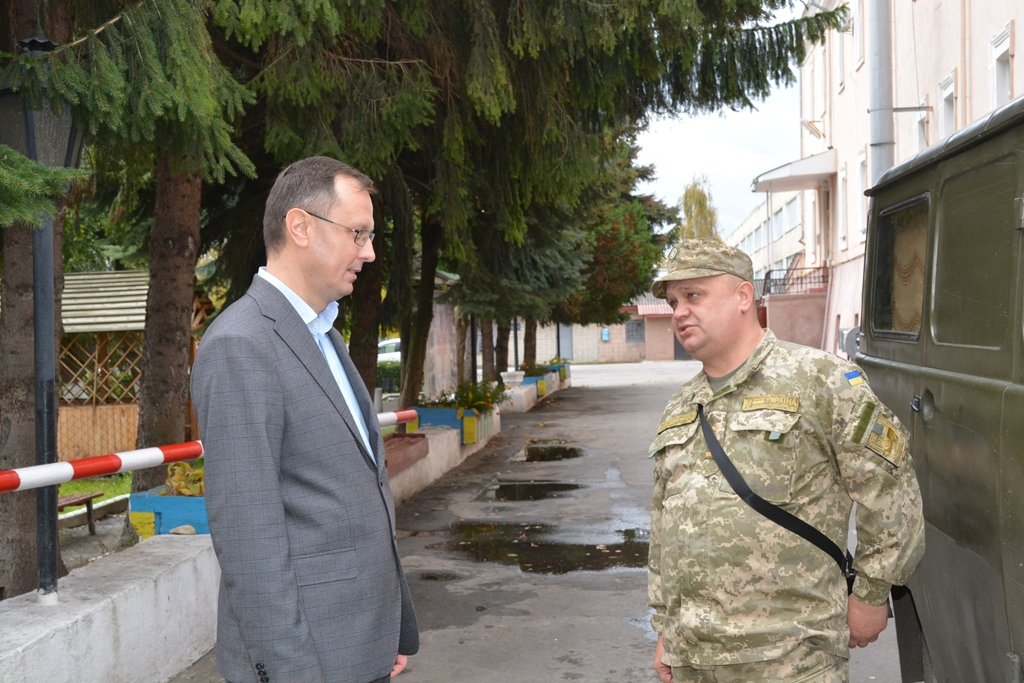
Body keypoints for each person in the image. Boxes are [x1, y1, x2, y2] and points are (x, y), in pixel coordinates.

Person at [647, 239, 924, 683]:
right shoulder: (682, 405)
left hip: (792, 659)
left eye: (693, 295)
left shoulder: (821, 380)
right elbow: (665, 525)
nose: (680, 311)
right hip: (695, 658)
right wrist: (666, 628)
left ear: (743, 296)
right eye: (674, 301)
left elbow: (891, 491)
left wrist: (871, 593)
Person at [191, 156, 418, 683]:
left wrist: (386, 631)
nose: (369, 252)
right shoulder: (241, 344)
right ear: (300, 227)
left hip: (358, 645)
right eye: (358, 233)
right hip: (308, 662)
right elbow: (249, 539)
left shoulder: (322, 335)